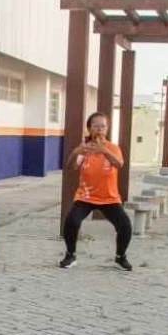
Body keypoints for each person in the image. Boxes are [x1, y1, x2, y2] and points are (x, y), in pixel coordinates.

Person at [60, 112, 132, 271]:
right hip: (85, 196)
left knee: (125, 226)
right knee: (72, 221)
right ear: (89, 128)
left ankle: (120, 257)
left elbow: (119, 164)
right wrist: (76, 152)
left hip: (109, 198)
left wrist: (104, 150)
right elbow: (72, 166)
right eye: (96, 126)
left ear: (107, 129)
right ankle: (70, 255)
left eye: (103, 126)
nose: (99, 129)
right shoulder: (85, 149)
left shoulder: (113, 148)